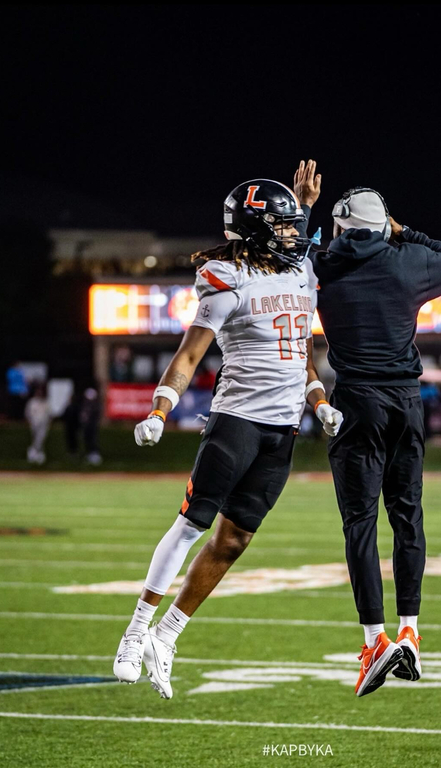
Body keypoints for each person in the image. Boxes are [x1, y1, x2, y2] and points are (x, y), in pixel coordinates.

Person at [113, 163, 343, 699]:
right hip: (237, 420)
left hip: (282, 428)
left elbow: (301, 353)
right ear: (259, 232)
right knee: (192, 523)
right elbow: (188, 354)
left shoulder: (301, 272)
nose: (294, 234)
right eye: (283, 226)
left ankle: (168, 635)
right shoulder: (228, 279)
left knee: (236, 538)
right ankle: (136, 631)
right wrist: (159, 410)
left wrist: (319, 400)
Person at [311, 186, 441, 696]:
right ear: (383, 226)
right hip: (406, 402)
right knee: (407, 517)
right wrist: (405, 231)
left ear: (340, 227)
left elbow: (291, 257)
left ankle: (374, 640)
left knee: (360, 523)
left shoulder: (323, 266)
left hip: (356, 401)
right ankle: (410, 631)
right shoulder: (408, 263)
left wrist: (307, 210)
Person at [24, 382, 51, 464]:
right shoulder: (32, 402)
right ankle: (33, 453)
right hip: (34, 423)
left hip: (44, 424)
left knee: (41, 438)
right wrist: (30, 421)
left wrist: (48, 422)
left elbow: (49, 414)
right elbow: (28, 413)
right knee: (35, 438)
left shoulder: (45, 402)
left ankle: (37, 453)